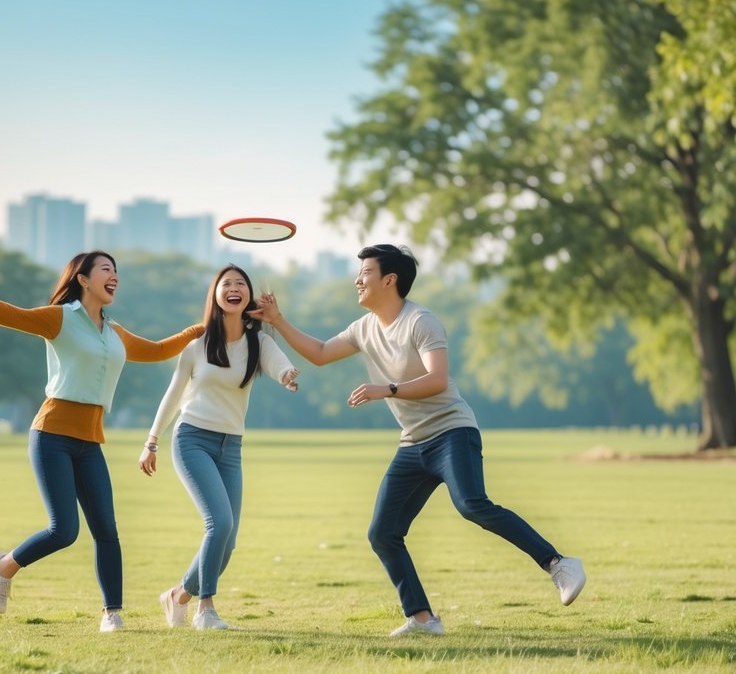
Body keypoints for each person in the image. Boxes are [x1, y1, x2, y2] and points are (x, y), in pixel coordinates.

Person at [248, 243, 586, 637]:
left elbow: (437, 379)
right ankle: (422, 619)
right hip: (414, 444)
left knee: (472, 504)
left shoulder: (421, 321)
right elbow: (321, 353)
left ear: (389, 280)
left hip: (452, 431)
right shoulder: (364, 328)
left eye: (366, 273)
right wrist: (278, 319)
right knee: (383, 533)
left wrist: (386, 389)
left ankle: (559, 564)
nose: (357, 281)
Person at [0, 251, 203, 632]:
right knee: (65, 530)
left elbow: (155, 351)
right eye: (106, 270)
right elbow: (12, 315)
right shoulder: (61, 319)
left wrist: (200, 330)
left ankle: (112, 614)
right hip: (52, 435)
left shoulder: (115, 333)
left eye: (116, 271)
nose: (114, 276)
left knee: (107, 529)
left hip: (90, 441)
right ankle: (3, 566)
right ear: (83, 280)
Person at [138, 265, 299, 631]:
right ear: (215, 295)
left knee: (229, 541)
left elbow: (279, 365)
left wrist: (288, 376)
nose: (234, 288)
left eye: (241, 284)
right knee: (219, 523)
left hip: (232, 447)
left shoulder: (260, 342)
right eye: (227, 284)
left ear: (248, 297)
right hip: (192, 439)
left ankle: (178, 595)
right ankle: (204, 609)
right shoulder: (196, 347)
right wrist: (152, 442)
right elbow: (173, 395)